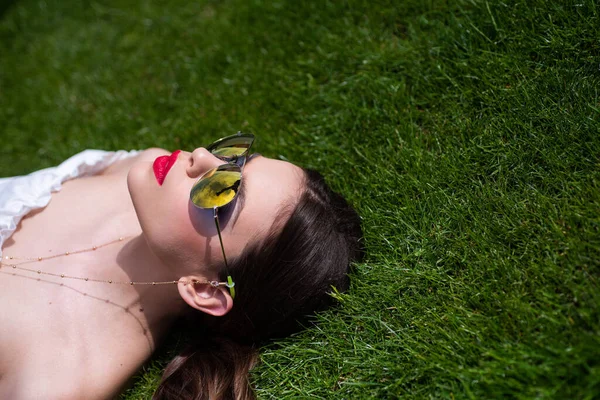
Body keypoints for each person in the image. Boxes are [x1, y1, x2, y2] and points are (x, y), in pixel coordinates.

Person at [0, 132, 363, 399]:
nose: (202, 156)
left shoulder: (58, 376)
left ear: (205, 290)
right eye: (236, 159)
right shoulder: (141, 172)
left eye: (221, 192)